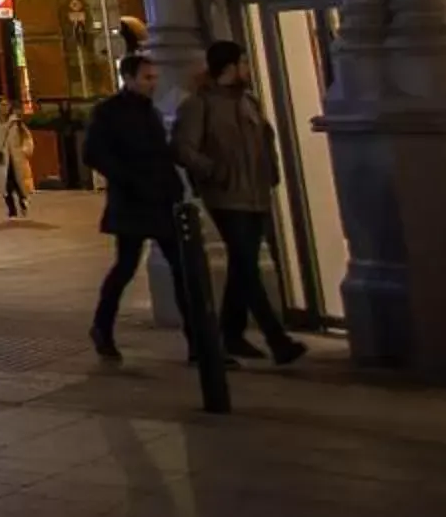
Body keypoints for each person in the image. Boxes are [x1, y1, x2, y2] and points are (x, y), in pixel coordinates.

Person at [174, 40, 306, 365]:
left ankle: (231, 334)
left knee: (241, 264)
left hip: (256, 194)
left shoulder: (249, 102)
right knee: (246, 265)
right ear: (230, 67)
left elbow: (265, 139)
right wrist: (212, 171)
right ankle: (277, 339)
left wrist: (270, 171)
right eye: (243, 63)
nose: (248, 68)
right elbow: (183, 148)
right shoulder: (199, 105)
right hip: (226, 196)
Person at [85, 53, 188, 362]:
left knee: (182, 268)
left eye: (154, 77)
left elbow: (161, 155)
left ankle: (198, 340)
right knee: (126, 267)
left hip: (160, 200)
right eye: (147, 78)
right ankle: (102, 326)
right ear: (128, 79)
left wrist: (174, 187)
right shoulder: (108, 112)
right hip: (132, 202)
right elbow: (93, 154)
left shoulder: (150, 112)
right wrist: (128, 180)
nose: (153, 83)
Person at [0, 97, 35, 220]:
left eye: (6, 105)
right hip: (0, 155)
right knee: (5, 185)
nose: (5, 107)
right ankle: (11, 210)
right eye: (2, 105)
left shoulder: (16, 122)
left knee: (18, 181)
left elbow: (26, 136)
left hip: (15, 156)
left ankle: (23, 200)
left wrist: (26, 149)